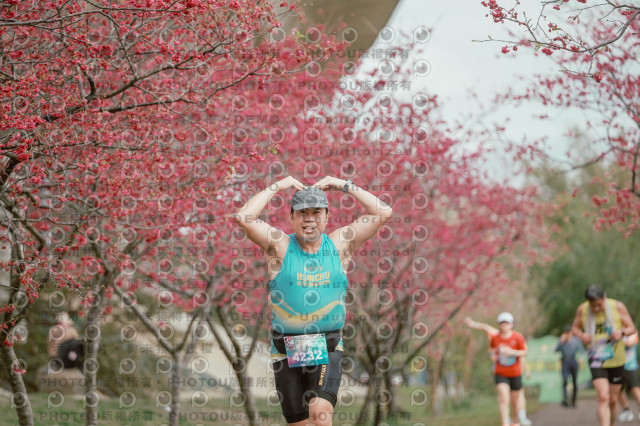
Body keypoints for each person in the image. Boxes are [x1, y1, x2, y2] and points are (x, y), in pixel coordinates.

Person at [235, 176, 392, 426]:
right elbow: (244, 218)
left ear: (327, 217)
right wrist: (278, 186)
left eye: (316, 212)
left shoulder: (340, 244)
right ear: (292, 217)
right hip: (285, 347)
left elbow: (383, 212)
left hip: (325, 344)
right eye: (302, 213)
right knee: (301, 423)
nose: (309, 219)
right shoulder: (280, 245)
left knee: (320, 415)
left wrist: (344, 185)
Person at [572, 285, 637, 426]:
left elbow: (632, 328)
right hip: (596, 359)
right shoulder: (582, 309)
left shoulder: (617, 306)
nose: (596, 309)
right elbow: (575, 328)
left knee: (613, 399)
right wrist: (581, 335)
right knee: (603, 396)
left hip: (616, 359)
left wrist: (621, 332)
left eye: (599, 305)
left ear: (604, 298)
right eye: (593, 305)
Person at [465, 316, 533, 426]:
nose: (505, 326)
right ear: (499, 325)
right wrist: (473, 324)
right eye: (502, 323)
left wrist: (514, 354)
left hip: (515, 372)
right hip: (501, 373)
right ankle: (505, 423)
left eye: (507, 323)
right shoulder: (495, 336)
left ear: (512, 324)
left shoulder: (518, 337)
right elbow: (486, 329)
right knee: (503, 397)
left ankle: (517, 420)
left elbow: (524, 353)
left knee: (516, 399)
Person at [555, 324, 584, 408]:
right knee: (565, 380)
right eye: (566, 332)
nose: (567, 334)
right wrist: (561, 342)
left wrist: (581, 357)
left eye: (569, 332)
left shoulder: (576, 340)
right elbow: (556, 350)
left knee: (574, 381)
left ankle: (573, 400)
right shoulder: (561, 340)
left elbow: (581, 350)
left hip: (573, 361)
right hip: (564, 361)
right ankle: (565, 399)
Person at [617, 331, 640, 422]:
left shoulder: (633, 332)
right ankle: (626, 410)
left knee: (634, 389)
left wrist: (617, 338)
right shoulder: (616, 330)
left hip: (630, 366)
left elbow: (629, 344)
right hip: (617, 366)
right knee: (618, 389)